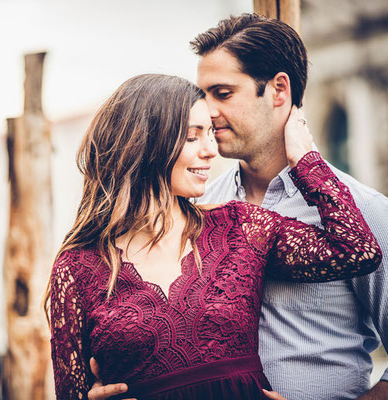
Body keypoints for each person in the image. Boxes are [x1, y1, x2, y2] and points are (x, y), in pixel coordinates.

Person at [87, 14, 388, 400]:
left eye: (222, 93)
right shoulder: (195, 208)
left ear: (279, 90)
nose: (206, 111)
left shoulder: (366, 213)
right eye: (203, 94)